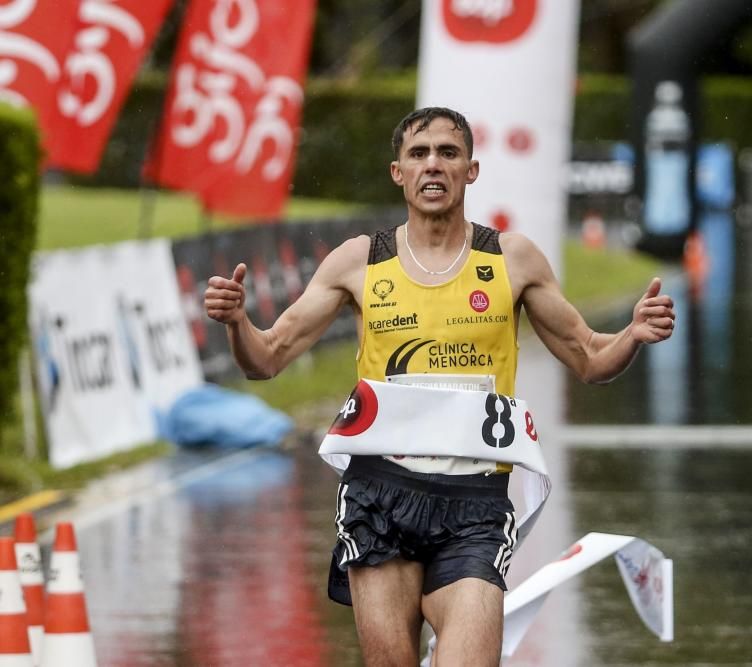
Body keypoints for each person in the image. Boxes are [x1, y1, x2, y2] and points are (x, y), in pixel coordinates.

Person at [203, 106, 675, 666]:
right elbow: (268, 358)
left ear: (470, 171)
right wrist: (238, 326)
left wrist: (633, 335)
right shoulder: (360, 260)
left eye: (448, 153)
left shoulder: (511, 258)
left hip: (475, 503)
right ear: (397, 172)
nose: (434, 165)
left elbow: (591, 358)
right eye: (419, 154)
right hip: (381, 494)